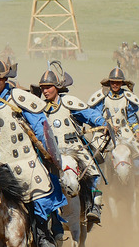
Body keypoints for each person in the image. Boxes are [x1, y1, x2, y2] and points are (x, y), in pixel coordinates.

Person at [0, 52, 67, 247]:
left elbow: (40, 126)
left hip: (24, 160)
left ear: (4, 79)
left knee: (40, 192)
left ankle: (41, 233)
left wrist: (49, 155)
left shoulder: (21, 99)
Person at [31, 62, 106, 223]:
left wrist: (101, 121)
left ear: (57, 87)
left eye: (49, 87)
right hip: (51, 153)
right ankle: (40, 218)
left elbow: (89, 114)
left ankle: (94, 207)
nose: (45, 91)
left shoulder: (69, 102)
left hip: (75, 149)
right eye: (43, 88)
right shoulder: (40, 108)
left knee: (93, 172)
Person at [88, 66, 139, 191]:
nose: (115, 84)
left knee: (136, 152)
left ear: (122, 83)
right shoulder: (102, 96)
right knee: (95, 154)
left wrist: (137, 132)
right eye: (113, 82)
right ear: (109, 83)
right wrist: (105, 125)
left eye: (118, 82)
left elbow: (132, 117)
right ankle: (97, 183)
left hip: (124, 130)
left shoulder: (127, 97)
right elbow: (96, 114)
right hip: (105, 130)